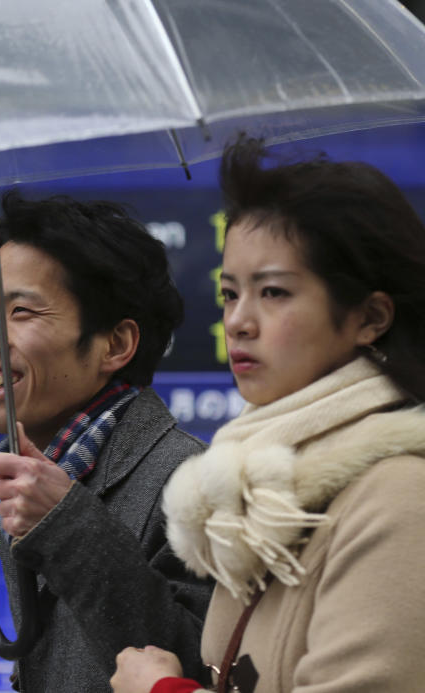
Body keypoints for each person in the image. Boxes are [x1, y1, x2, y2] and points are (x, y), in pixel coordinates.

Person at [111, 136, 425, 693]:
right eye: (230, 294)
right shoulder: (264, 482)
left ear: (370, 316)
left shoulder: (400, 496)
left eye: (274, 292)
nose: (238, 322)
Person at [0, 191, 213, 691]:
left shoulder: (194, 483)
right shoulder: (37, 474)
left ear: (116, 345)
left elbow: (193, 667)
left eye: (21, 313)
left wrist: (67, 525)